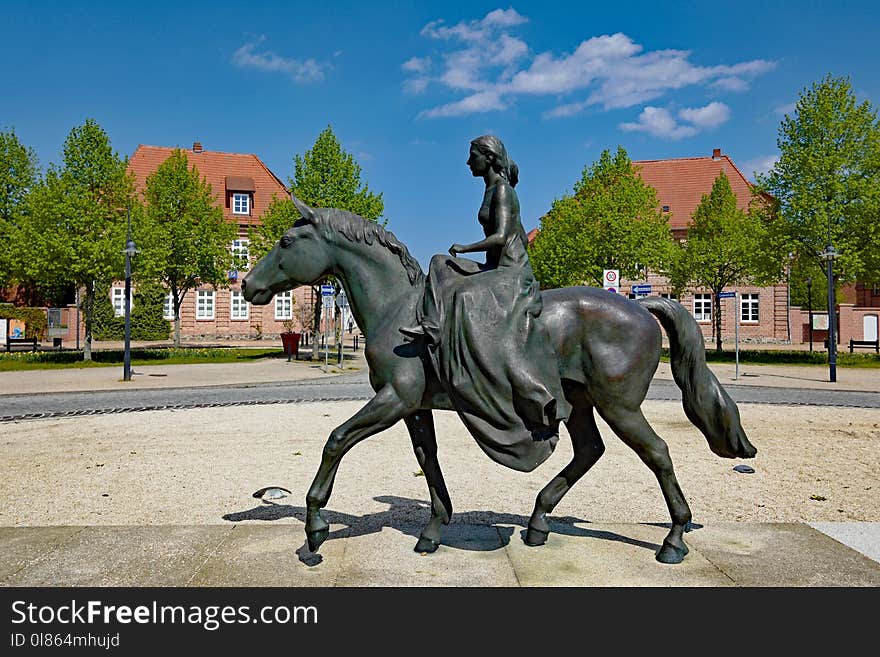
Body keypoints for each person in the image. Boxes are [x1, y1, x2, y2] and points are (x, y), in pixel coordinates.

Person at [401, 136, 571, 471]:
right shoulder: (489, 189)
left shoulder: (503, 191)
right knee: (438, 263)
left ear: (488, 158)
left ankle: (469, 355)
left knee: (464, 294)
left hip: (512, 271)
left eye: (472, 156)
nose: (468, 163)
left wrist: (465, 248)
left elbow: (502, 237)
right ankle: (431, 323)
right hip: (495, 267)